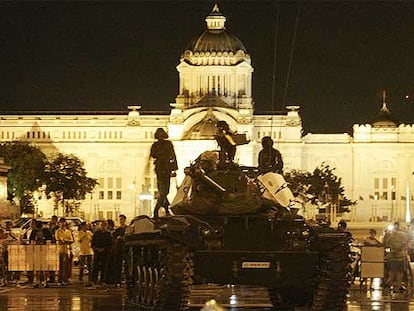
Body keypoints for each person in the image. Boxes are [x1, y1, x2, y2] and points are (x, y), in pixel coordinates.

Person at [150, 127, 178, 219]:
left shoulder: (155, 145)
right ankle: (156, 210)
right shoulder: (168, 144)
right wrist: (174, 168)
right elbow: (173, 156)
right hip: (165, 169)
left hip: (159, 168)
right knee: (165, 191)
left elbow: (153, 155)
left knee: (162, 191)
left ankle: (165, 210)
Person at [383, 222, 408, 292]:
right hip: (400, 257)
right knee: (399, 273)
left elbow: (385, 244)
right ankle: (398, 286)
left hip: (391, 257)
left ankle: (388, 285)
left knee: (391, 273)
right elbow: (405, 244)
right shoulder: (403, 235)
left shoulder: (389, 235)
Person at [90, 220, 112, 287]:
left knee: (104, 267)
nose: (103, 226)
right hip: (97, 252)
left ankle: (103, 280)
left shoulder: (108, 234)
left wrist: (104, 249)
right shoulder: (96, 233)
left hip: (105, 252)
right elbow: (93, 243)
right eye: (102, 225)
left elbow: (110, 244)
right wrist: (96, 249)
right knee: (95, 267)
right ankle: (94, 280)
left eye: (105, 225)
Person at [55, 217, 74, 285]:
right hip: (60, 250)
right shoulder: (57, 231)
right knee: (60, 266)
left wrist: (66, 241)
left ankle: (66, 279)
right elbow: (59, 241)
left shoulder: (68, 231)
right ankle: (60, 280)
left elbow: (72, 240)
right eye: (61, 222)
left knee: (67, 266)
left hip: (67, 250)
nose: (62, 224)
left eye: (64, 222)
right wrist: (65, 241)